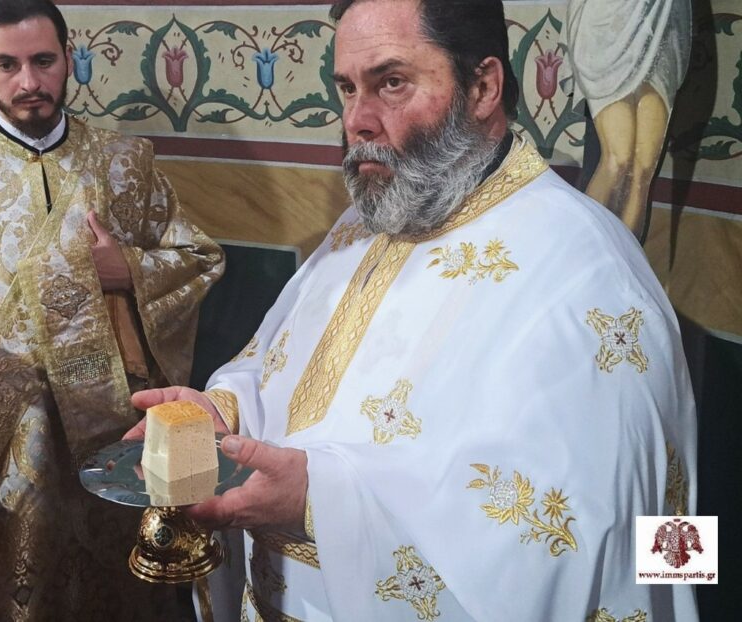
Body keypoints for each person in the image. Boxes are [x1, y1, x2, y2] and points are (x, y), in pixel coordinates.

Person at [127, 0, 698, 620]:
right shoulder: (366, 224)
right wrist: (223, 414)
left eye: (391, 83)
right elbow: (276, 368)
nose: (357, 120)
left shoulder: (594, 273)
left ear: (482, 88)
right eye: (347, 89)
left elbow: (617, 533)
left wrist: (316, 501)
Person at [0, 0, 225, 618]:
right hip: (5, 421)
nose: (29, 82)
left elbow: (200, 257)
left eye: (44, 61)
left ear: (69, 57)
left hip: (112, 416)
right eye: (7, 64)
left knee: (121, 583)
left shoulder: (124, 160)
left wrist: (129, 269)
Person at [567, 0, 691, 240]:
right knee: (618, 160)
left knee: (643, 171)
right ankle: (587, 250)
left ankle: (625, 256)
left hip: (663, 23)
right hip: (611, 23)